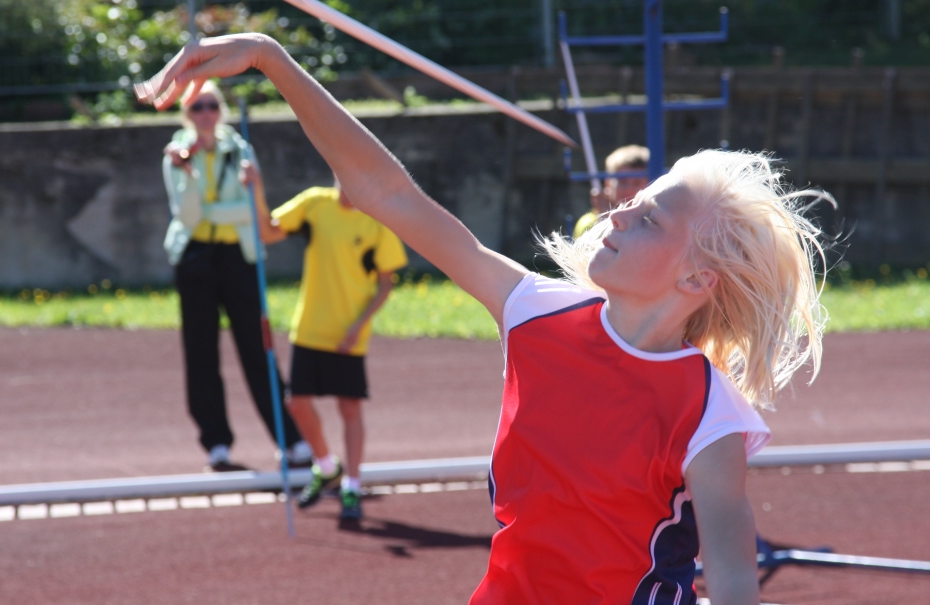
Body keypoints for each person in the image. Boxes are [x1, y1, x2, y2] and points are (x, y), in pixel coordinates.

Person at [137, 35, 828, 605]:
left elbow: (735, 583)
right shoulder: (536, 310)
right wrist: (271, 60)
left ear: (696, 279)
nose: (617, 211)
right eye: (632, 199)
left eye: (647, 217)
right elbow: (385, 193)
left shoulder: (710, 411)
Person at [161, 79, 311, 473]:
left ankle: (290, 439)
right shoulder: (175, 155)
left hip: (238, 257)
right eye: (196, 108)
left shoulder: (240, 149)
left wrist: (224, 205)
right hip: (195, 259)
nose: (205, 114)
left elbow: (250, 211)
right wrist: (190, 174)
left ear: (221, 109)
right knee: (201, 351)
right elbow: (189, 217)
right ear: (186, 115)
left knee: (258, 347)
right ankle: (216, 443)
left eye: (211, 105)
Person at [243, 176, 408, 521]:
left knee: (349, 408)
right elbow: (267, 232)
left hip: (348, 335)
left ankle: (352, 485)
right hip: (310, 328)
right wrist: (256, 187)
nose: (345, 182)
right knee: (296, 403)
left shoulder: (377, 219)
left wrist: (357, 327)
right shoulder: (315, 203)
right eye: (338, 173)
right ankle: (326, 465)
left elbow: (385, 284)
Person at [572, 144, 650, 238]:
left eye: (637, 183)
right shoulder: (589, 224)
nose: (629, 189)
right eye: (623, 181)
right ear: (608, 183)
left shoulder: (656, 221)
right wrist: (606, 220)